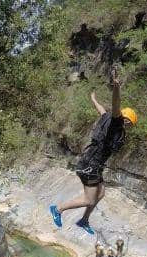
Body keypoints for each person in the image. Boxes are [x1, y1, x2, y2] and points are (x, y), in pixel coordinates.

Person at [49, 67, 137, 233]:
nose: (128, 124)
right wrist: (116, 86)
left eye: (129, 123)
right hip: (90, 165)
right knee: (90, 200)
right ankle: (58, 209)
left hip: (93, 164)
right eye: (128, 122)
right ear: (125, 119)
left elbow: (102, 110)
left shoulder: (108, 119)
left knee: (101, 192)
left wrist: (93, 99)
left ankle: (84, 220)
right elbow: (116, 104)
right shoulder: (116, 124)